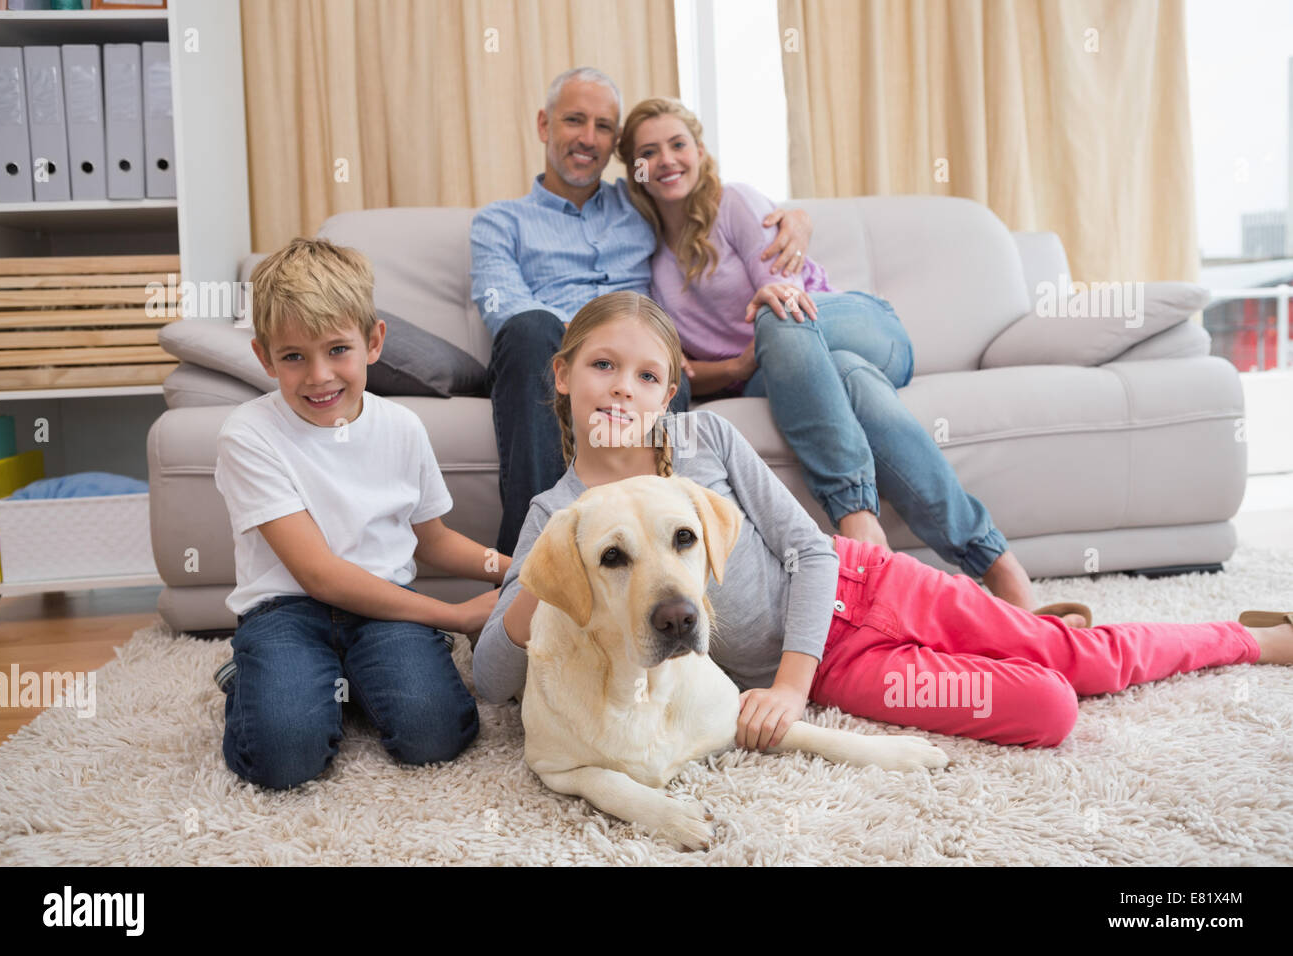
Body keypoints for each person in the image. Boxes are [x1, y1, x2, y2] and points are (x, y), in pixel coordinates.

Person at [472, 291, 1293, 750]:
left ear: (669, 393)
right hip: (845, 671)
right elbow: (493, 683)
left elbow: (808, 551)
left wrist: (788, 685)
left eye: (646, 376)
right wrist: (540, 582)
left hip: (863, 590)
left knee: (1075, 656)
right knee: (1050, 708)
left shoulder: (703, 440)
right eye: (603, 366)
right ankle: (1017, 643)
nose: (622, 389)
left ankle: (1246, 639)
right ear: (561, 373)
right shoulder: (557, 519)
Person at [616, 96, 1087, 627]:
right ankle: (999, 566)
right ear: (633, 170)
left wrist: (754, 347)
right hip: (785, 372)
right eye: (648, 152)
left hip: (853, 325)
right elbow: (677, 365)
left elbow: (786, 294)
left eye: (678, 145)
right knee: (852, 384)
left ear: (700, 151)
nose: (666, 160)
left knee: (780, 317)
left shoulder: (736, 204)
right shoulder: (648, 257)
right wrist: (737, 368)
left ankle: (858, 524)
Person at [470, 67, 814, 558]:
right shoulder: (500, 222)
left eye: (604, 126)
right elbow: (501, 305)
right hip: (551, 355)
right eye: (574, 121)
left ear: (615, 144)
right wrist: (592, 343)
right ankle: (530, 561)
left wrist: (797, 218)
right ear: (545, 125)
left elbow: (709, 203)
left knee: (661, 365)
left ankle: (660, 557)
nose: (588, 139)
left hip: (642, 360)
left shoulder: (640, 203)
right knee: (528, 329)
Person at [213, 237, 507, 789]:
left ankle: (350, 678)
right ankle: (254, 675)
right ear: (264, 357)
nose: (319, 376)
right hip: (286, 613)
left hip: (384, 610)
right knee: (285, 758)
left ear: (374, 342)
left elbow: (436, 541)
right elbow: (318, 575)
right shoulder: (248, 435)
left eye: (337, 350)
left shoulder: (402, 428)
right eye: (293, 356)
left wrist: (517, 568)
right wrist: (457, 616)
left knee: (435, 736)